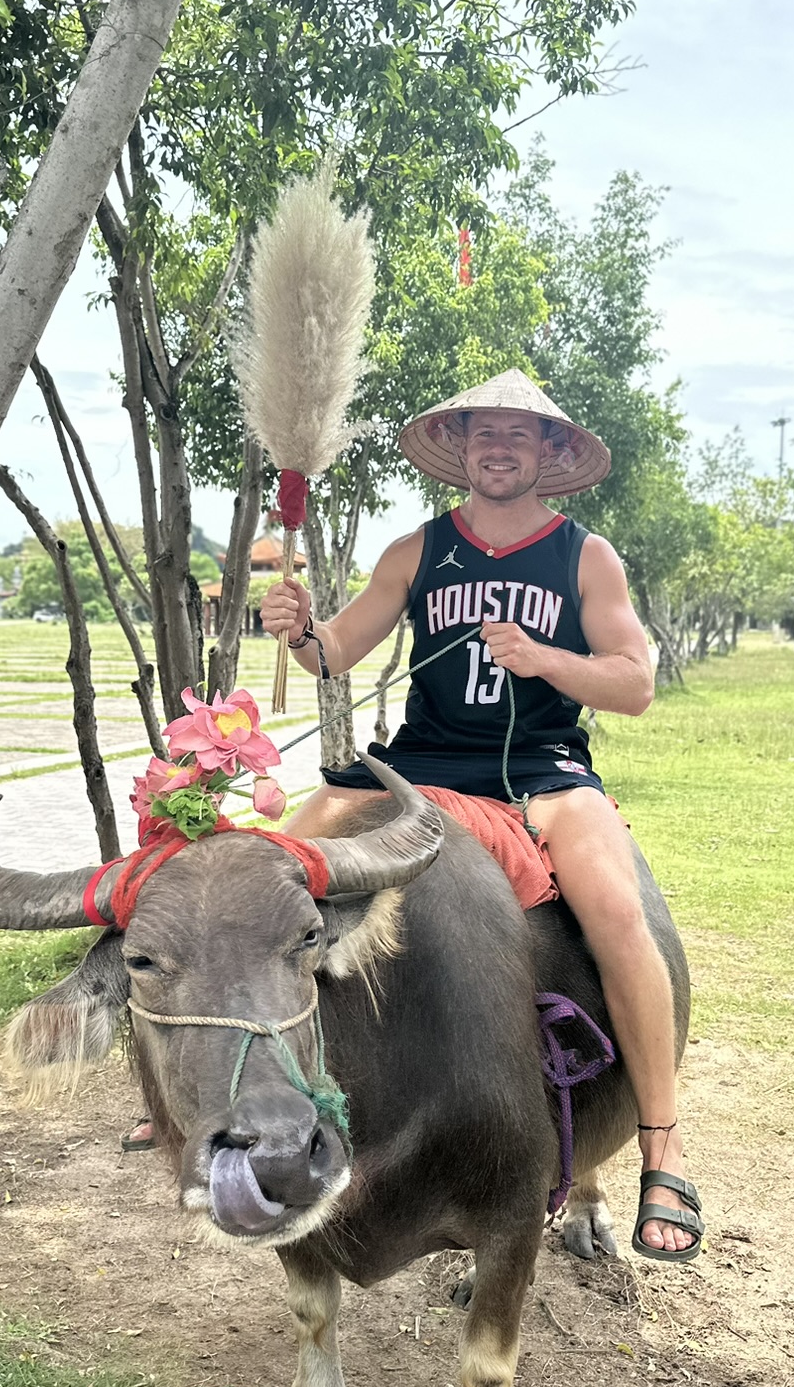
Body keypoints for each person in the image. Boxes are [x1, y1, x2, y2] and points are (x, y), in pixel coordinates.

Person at [260, 368, 702, 1263]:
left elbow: (637, 684)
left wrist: (546, 660)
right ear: (461, 450)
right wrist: (299, 628)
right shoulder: (417, 551)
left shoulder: (585, 556)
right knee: (273, 871)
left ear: (549, 453)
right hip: (417, 766)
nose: (498, 446)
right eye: (482, 433)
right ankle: (226, 1083)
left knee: (619, 916)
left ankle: (663, 1149)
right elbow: (338, 649)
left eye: (518, 433)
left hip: (543, 773)